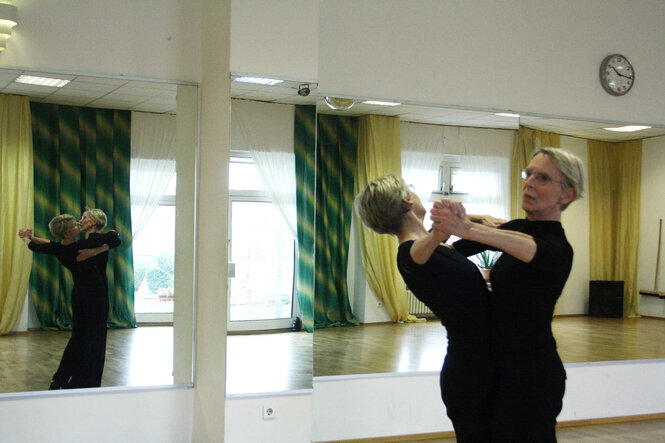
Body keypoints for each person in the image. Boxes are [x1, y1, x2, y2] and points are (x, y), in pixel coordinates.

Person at [431, 147, 584, 442]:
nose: (529, 183)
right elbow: (453, 251)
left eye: (543, 178)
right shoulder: (516, 230)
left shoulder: (556, 248)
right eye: (528, 175)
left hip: (533, 377)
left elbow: (527, 247)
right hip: (495, 371)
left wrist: (467, 226)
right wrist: (451, 223)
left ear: (567, 195)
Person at [355, 174, 497, 442]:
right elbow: (418, 254)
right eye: (412, 191)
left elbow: (450, 242)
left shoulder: (440, 248)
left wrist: (469, 220)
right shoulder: (410, 254)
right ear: (408, 201)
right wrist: (444, 229)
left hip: (481, 366)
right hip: (470, 374)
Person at [19, 213, 121, 389]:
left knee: (79, 337)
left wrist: (28, 238)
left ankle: (61, 378)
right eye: (76, 224)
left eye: (82, 219)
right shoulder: (83, 244)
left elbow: (42, 246)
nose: (79, 223)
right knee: (94, 339)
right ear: (67, 234)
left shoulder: (64, 248)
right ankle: (85, 381)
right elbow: (114, 237)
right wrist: (97, 249)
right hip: (95, 295)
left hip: (80, 295)